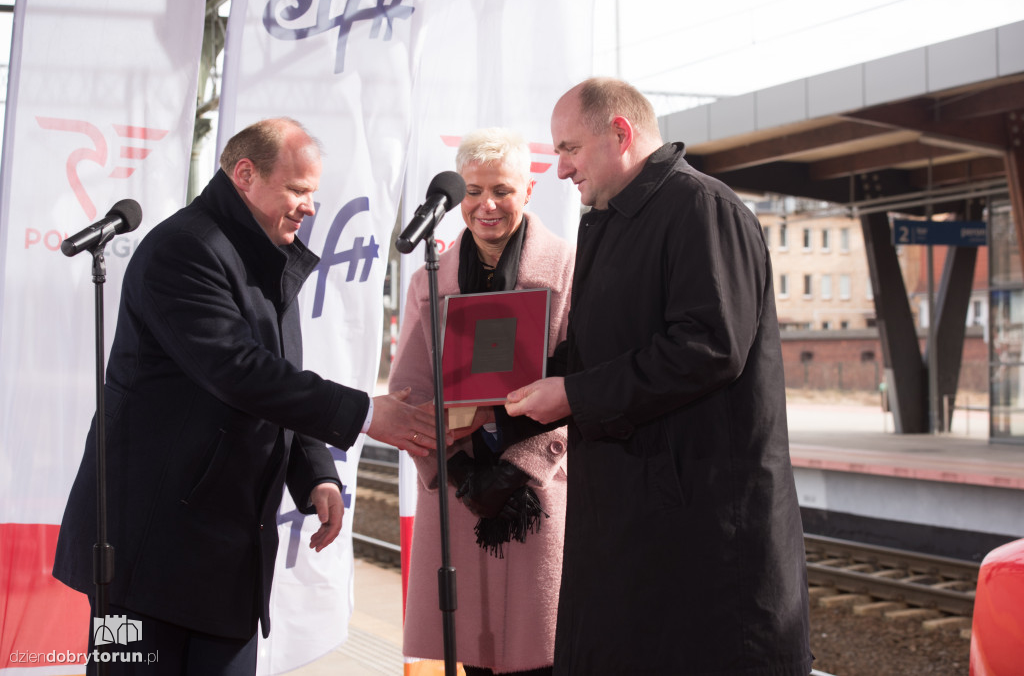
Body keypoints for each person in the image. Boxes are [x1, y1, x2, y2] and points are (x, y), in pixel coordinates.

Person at [53, 117, 441, 675]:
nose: (310, 206)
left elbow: (279, 376)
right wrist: (363, 412)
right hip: (145, 554)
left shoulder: (264, 256)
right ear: (244, 175)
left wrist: (315, 473)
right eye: (299, 189)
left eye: (314, 192)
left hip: (222, 557)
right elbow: (237, 370)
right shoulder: (184, 250)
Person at [504, 79, 813, 675]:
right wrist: (505, 382)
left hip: (702, 539)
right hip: (639, 527)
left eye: (569, 148)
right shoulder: (611, 221)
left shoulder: (702, 208)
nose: (560, 169)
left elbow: (709, 346)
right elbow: (598, 349)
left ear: (620, 133)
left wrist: (573, 393)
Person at [390, 127, 574, 675]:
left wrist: (517, 467)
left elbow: (583, 383)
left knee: (543, 656)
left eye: (502, 189)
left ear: (529, 191)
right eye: (472, 190)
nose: (485, 205)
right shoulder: (430, 278)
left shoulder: (568, 269)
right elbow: (410, 392)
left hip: (538, 491)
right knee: (476, 658)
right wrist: (450, 466)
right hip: (459, 489)